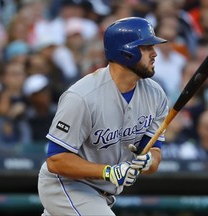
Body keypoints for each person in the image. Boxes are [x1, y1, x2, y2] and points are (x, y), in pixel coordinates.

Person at [37, 17, 168, 216]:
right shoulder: (81, 97)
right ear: (127, 52)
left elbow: (154, 153)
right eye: (147, 47)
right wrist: (108, 171)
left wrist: (148, 161)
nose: (154, 53)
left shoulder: (156, 95)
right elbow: (56, 160)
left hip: (102, 194)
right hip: (65, 186)